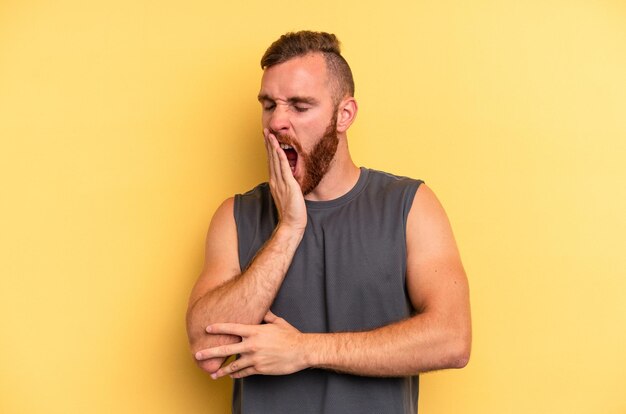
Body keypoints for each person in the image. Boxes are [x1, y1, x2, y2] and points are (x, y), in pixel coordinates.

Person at [186, 30, 471, 414]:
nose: (277, 122)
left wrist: (304, 350)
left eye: (300, 106)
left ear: (344, 115)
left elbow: (452, 339)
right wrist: (288, 229)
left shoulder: (410, 206)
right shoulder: (236, 217)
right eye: (269, 105)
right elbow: (206, 349)